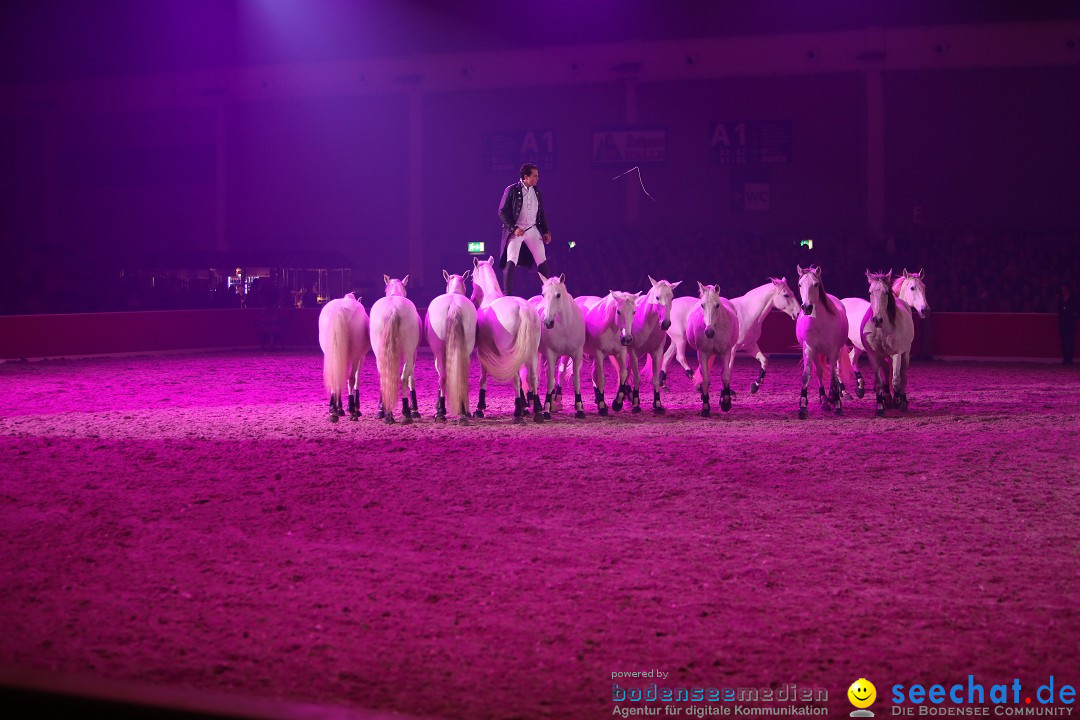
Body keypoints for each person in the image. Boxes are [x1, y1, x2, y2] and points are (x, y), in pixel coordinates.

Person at [497, 163, 554, 296]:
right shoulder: (511, 190)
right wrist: (514, 228)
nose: (537, 178)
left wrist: (545, 231)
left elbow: (541, 214)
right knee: (511, 259)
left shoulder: (537, 191)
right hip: (516, 230)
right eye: (535, 176)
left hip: (532, 229)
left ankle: (549, 292)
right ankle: (507, 294)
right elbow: (502, 212)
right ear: (525, 177)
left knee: (541, 258)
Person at [1058, 284, 1076, 364]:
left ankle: (1070, 359)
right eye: (1062, 290)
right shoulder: (1060, 299)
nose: (1063, 291)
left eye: (1064, 289)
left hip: (1070, 322)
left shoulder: (1073, 299)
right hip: (1062, 322)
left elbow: (1075, 310)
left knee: (1070, 341)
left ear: (1068, 290)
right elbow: (1059, 309)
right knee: (1063, 341)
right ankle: (1065, 359)